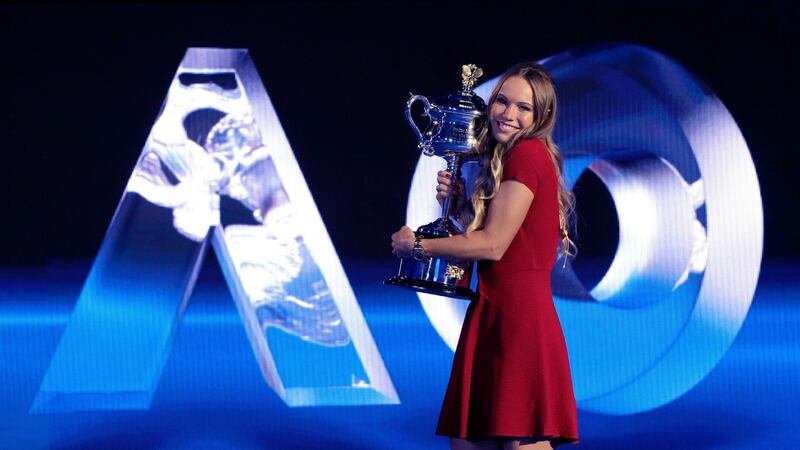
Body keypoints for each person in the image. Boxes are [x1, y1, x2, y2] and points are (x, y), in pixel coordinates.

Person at [391, 62, 579, 449]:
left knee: (514, 441)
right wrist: (461, 210)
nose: (508, 114)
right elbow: (504, 241)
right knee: (468, 440)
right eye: (502, 102)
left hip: (519, 323)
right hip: (492, 313)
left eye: (522, 108)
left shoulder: (527, 155)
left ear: (540, 116)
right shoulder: (514, 158)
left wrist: (420, 247)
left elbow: (493, 245)